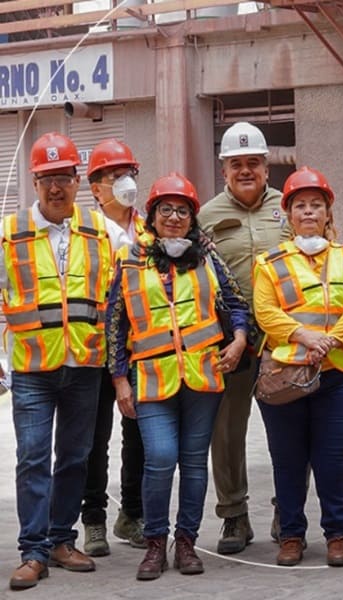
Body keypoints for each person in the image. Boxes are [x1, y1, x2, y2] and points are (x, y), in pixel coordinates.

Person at [106, 173, 251, 580]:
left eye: (182, 210)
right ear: (152, 216)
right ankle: (155, 543)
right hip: (151, 379)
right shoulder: (130, 259)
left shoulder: (207, 257)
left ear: (192, 217)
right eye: (166, 209)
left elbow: (236, 303)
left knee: (193, 463)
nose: (174, 217)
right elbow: (115, 324)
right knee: (161, 458)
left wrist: (239, 339)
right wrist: (120, 380)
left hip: (203, 377)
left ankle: (185, 542)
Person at [3, 132, 130, 591]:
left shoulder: (102, 230)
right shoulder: (10, 232)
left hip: (84, 366)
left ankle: (61, 539)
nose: (56, 187)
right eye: (47, 179)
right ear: (35, 183)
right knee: (32, 458)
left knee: (75, 457)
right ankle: (33, 551)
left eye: (63, 177)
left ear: (77, 180)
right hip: (34, 368)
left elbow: (134, 273)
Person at [253, 166, 343, 567]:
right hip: (286, 380)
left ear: (327, 213)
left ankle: (337, 534)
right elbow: (265, 312)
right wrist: (305, 337)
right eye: (300, 205)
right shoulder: (268, 263)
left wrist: (331, 341)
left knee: (331, 461)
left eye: (315, 205)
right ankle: (291, 535)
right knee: (287, 460)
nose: (307, 212)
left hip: (339, 379)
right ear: (288, 214)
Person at [198, 121, 292, 554]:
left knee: (288, 431)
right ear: (224, 170)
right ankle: (234, 516)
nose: (246, 171)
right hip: (231, 342)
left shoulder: (290, 208)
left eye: (254, 162)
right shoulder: (206, 217)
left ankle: (286, 508)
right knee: (228, 431)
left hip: (283, 342)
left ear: (266, 165)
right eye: (237, 164)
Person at [80, 139, 147, 556]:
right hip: (92, 349)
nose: (123, 182)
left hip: (139, 349)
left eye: (128, 173)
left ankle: (132, 515)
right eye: (113, 175)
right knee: (93, 439)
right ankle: (94, 521)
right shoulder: (82, 229)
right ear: (96, 188)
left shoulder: (149, 229)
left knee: (138, 434)